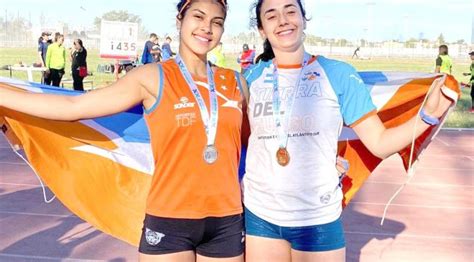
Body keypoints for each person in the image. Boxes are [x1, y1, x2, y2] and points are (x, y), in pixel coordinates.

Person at [0, 1, 245, 261]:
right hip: (170, 218)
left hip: (225, 220)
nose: (207, 27)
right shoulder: (151, 77)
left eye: (217, 22)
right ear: (179, 20)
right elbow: (75, 106)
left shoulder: (236, 82)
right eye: (198, 16)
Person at [241, 0, 453, 261]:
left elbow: (379, 142)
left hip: (317, 217)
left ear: (304, 19)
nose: (283, 20)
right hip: (261, 215)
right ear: (262, 29)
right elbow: (240, 142)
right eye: (271, 15)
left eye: (290, 11)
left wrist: (427, 116)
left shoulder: (337, 74)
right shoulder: (249, 79)